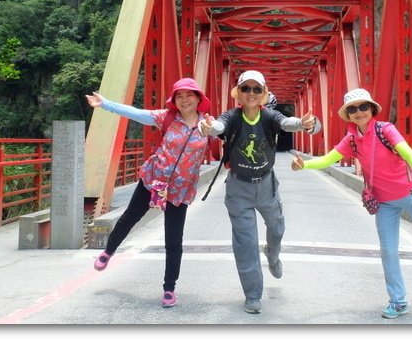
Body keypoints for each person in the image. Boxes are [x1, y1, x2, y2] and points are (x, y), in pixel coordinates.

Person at [291, 88, 412, 319]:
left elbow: (407, 152)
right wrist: (304, 165)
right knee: (388, 251)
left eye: (363, 106)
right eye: (353, 109)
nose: (359, 112)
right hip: (384, 202)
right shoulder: (352, 140)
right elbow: (328, 159)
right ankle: (398, 302)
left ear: (371, 108)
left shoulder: (385, 129)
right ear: (348, 114)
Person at [199, 70, 321, 314]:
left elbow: (287, 123)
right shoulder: (232, 117)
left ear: (264, 94)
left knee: (276, 229)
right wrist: (209, 128)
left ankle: (272, 254)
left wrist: (304, 124)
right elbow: (218, 126)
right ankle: (253, 294)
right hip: (239, 188)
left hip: (266, 186)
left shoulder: (269, 116)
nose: (251, 93)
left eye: (257, 89)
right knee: (245, 243)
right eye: (246, 89)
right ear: (239, 93)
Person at [85, 77, 212, 309]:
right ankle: (108, 252)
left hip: (179, 190)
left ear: (198, 98)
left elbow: (235, 131)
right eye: (179, 96)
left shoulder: (209, 126)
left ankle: (169, 289)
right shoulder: (167, 117)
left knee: (174, 241)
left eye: (189, 95)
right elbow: (135, 113)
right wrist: (106, 104)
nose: (184, 100)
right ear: (174, 100)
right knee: (129, 218)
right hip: (154, 179)